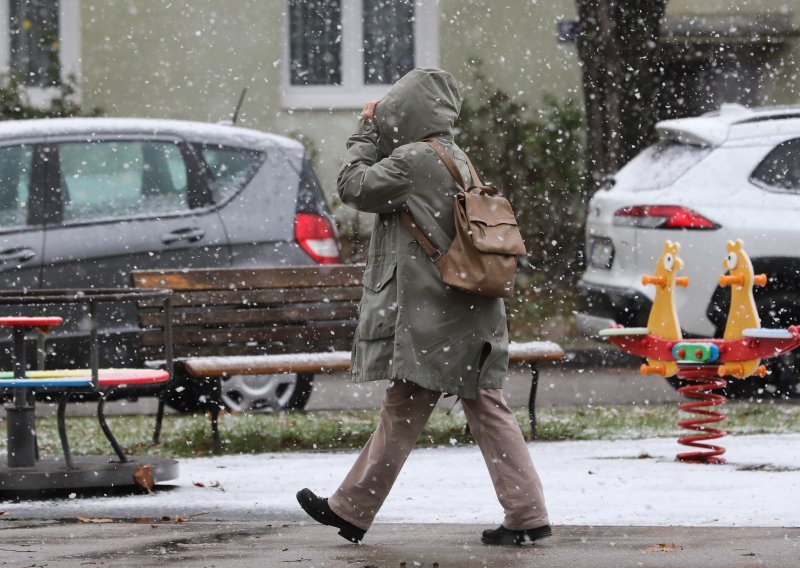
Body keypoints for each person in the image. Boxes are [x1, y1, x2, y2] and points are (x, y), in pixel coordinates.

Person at [296, 68, 550, 546]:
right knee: (483, 409)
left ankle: (351, 509)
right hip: (470, 309)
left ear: (406, 111)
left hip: (433, 319)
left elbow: (353, 187)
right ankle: (527, 514)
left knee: (408, 409)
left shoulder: (413, 160)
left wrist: (365, 132)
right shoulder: (459, 159)